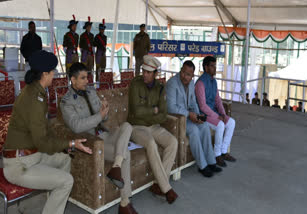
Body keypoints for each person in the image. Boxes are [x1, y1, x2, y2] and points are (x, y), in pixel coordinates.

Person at [3, 50, 92, 214]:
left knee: (65, 159)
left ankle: (52, 207)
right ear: (44, 74)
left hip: (32, 155)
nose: (54, 75)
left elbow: (46, 130)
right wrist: (70, 143)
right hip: (19, 165)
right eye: (52, 72)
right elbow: (42, 141)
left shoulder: (37, 92)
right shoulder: (34, 98)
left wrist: (64, 146)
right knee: (66, 181)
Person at [60, 62, 137, 214]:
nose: (87, 81)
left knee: (127, 126)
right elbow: (76, 126)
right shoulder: (66, 101)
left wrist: (104, 110)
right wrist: (99, 116)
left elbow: (103, 118)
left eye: (87, 77)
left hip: (104, 133)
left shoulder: (91, 91)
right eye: (83, 78)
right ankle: (124, 203)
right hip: (92, 141)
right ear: (73, 80)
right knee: (125, 154)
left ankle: (116, 167)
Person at [128, 55, 178, 204]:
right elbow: (136, 112)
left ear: (155, 73)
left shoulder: (160, 87)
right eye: (144, 71)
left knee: (172, 142)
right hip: (136, 126)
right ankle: (166, 188)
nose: (145, 74)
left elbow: (163, 114)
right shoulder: (135, 84)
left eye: (149, 72)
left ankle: (157, 184)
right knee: (151, 143)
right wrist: (153, 111)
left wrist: (151, 114)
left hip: (154, 126)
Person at [166, 60, 222, 178]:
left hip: (188, 116)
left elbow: (192, 101)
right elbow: (171, 107)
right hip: (177, 119)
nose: (184, 76)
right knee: (194, 131)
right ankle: (202, 166)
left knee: (205, 126)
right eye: (183, 72)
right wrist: (189, 114)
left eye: (188, 74)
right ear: (180, 70)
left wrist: (197, 116)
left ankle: (211, 162)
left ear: (192, 76)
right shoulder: (172, 83)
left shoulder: (191, 84)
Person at [195, 56, 236, 168]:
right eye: (212, 66)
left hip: (215, 113)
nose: (215, 68)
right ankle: (216, 155)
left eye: (215, 66)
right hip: (203, 115)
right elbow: (202, 106)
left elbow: (217, 100)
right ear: (206, 67)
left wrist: (223, 114)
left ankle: (223, 151)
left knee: (231, 122)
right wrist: (217, 116)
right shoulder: (200, 83)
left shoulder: (214, 82)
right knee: (220, 125)